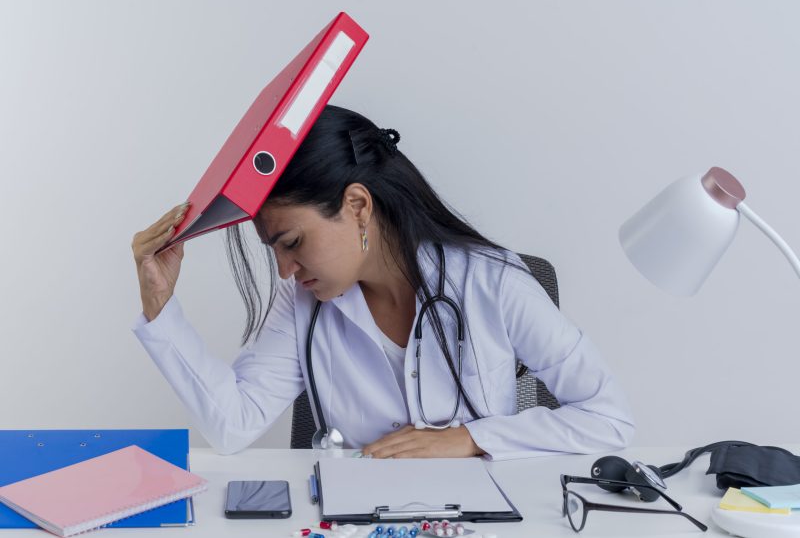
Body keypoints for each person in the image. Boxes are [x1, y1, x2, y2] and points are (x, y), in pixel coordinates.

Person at [131, 105, 634, 460]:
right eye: (275, 250)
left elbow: (608, 418)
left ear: (357, 206)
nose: (286, 269)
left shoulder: (494, 283)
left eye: (292, 241)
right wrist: (159, 303)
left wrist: (473, 439)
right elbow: (233, 424)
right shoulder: (303, 304)